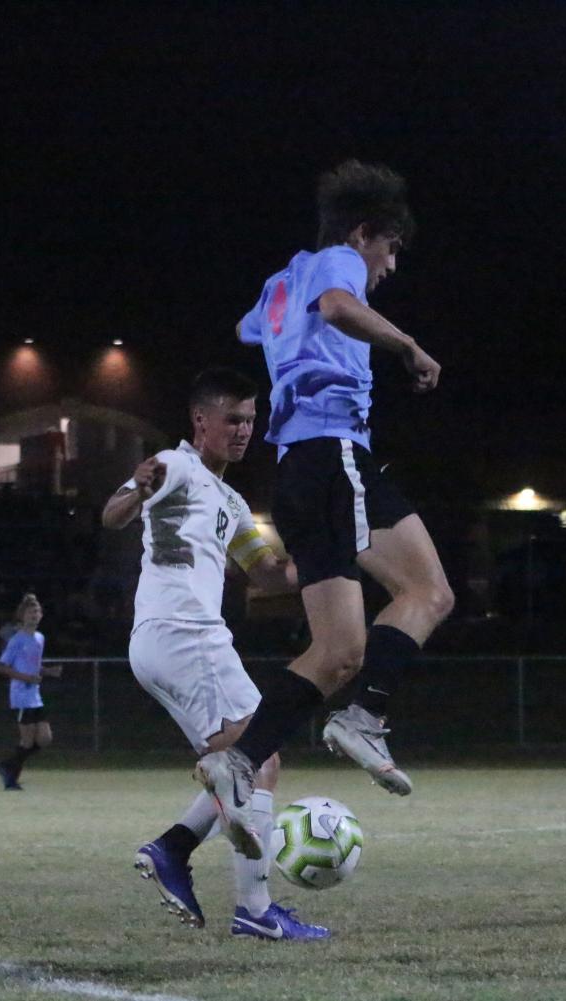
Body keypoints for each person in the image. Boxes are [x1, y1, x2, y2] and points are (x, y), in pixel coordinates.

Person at [200, 159, 453, 833]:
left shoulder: (279, 281)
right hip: (334, 451)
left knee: (337, 649)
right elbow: (339, 306)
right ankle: (364, 716)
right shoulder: (335, 263)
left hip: (295, 473)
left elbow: (247, 328)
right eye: (390, 249)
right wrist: (408, 347)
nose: (389, 267)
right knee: (428, 593)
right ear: (364, 232)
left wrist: (286, 343)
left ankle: (241, 756)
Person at [102, 367, 328, 941]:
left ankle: (174, 849)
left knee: (254, 758)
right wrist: (134, 486)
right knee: (260, 759)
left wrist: (337, 558)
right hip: (187, 634)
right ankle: (254, 911)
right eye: (233, 419)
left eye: (251, 420)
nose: (244, 430)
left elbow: (272, 575)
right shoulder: (176, 465)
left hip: (168, 639)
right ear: (201, 421)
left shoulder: (228, 498)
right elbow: (115, 512)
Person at [0, 592, 60, 790]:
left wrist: (48, 671)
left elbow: (32, 665)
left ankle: (6, 766)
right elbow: (2, 667)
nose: (34, 615)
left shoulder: (40, 638)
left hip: (35, 695)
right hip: (21, 695)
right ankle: (10, 777)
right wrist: (27, 678)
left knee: (45, 739)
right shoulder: (17, 640)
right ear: (22, 615)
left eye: (37, 611)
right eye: (31, 612)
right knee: (28, 740)